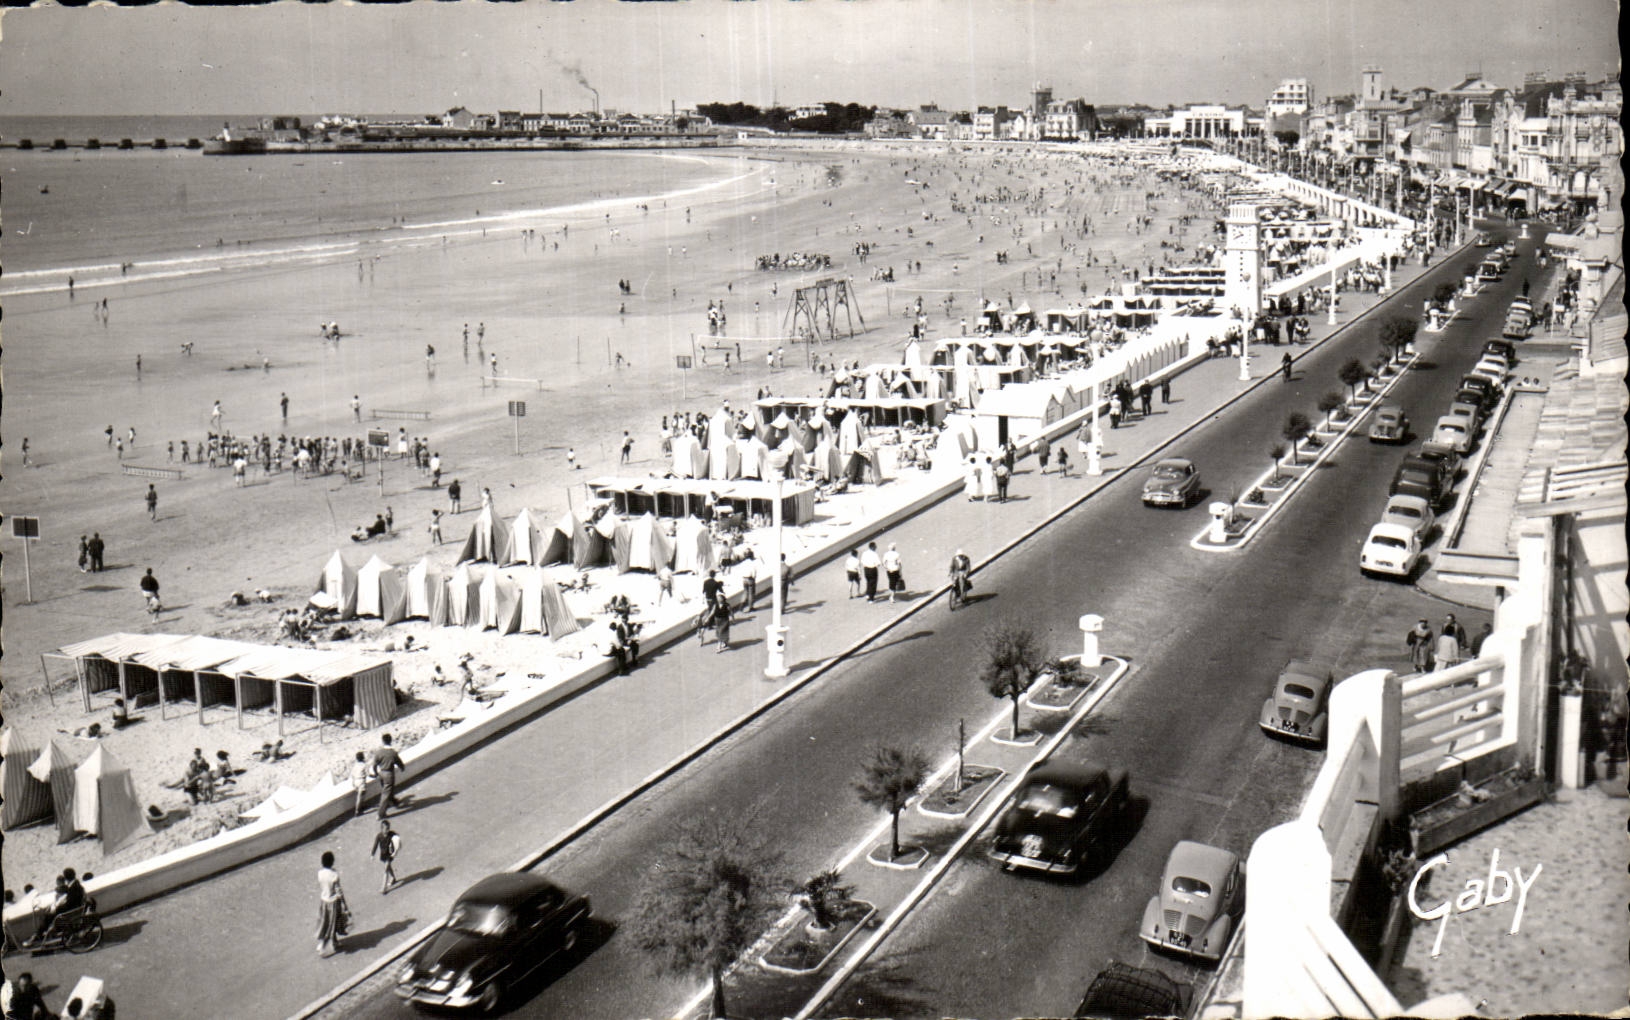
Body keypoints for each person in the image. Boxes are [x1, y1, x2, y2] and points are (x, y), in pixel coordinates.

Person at [315, 851, 347, 958]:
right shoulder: (334, 875)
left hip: (324, 901)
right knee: (332, 924)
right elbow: (339, 891)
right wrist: (345, 905)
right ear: (332, 862)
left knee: (326, 922)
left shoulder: (320, 873)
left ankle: (335, 942)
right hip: (333, 902)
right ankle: (322, 945)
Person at [370, 733, 404, 819]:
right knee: (386, 793)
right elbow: (399, 763)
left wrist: (376, 773)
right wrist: (402, 768)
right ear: (391, 741)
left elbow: (374, 765)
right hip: (389, 774)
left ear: (383, 741)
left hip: (381, 773)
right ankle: (380, 814)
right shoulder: (393, 753)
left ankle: (393, 801)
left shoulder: (378, 752)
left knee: (387, 790)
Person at [371, 819, 401, 894]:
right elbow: (375, 845)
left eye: (388, 828)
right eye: (386, 829)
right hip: (383, 854)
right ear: (381, 829)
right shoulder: (379, 836)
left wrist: (396, 847)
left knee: (385, 869)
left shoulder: (391, 834)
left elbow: (397, 838)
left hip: (389, 854)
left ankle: (383, 887)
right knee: (388, 867)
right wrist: (372, 854)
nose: (387, 830)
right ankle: (393, 878)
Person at [350, 751, 371, 817]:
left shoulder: (355, 765)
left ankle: (361, 806)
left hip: (356, 781)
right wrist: (375, 776)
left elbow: (352, 775)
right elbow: (368, 774)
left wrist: (353, 783)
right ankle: (357, 811)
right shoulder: (364, 765)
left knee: (362, 795)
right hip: (361, 781)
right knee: (359, 797)